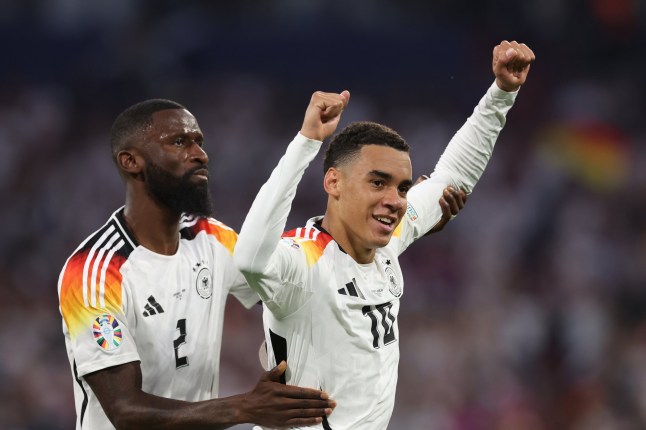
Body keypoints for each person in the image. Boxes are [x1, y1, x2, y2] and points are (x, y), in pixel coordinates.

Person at [234, 40, 535, 429]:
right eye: (378, 183)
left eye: (403, 188)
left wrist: (502, 93)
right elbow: (248, 258)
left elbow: (449, 179)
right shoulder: (302, 260)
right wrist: (307, 142)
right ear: (334, 182)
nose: (395, 200)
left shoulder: (388, 242)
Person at [56, 99, 338, 430]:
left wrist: (307, 143)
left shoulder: (210, 237)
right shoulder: (94, 272)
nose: (200, 154)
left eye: (199, 142)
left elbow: (290, 290)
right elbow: (125, 410)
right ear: (131, 161)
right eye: (179, 142)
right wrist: (245, 408)